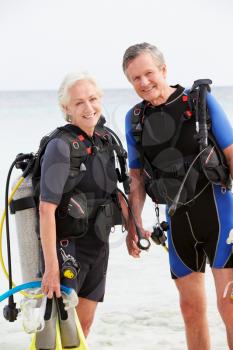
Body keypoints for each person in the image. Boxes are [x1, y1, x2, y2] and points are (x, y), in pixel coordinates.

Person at [123, 42, 233, 349]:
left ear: (163, 70)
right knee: (189, 309)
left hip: (221, 216)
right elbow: (136, 178)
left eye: (148, 73)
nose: (144, 83)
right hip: (179, 224)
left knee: (230, 306)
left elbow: (231, 154)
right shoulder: (135, 119)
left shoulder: (199, 101)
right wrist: (133, 223)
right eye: (135, 78)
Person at [39, 72, 128, 337]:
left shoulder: (105, 141)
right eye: (79, 103)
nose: (88, 108)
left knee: (82, 330)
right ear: (66, 109)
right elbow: (46, 209)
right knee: (56, 334)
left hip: (98, 247)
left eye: (92, 99)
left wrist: (134, 228)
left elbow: (114, 193)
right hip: (68, 250)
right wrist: (51, 268)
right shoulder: (60, 146)